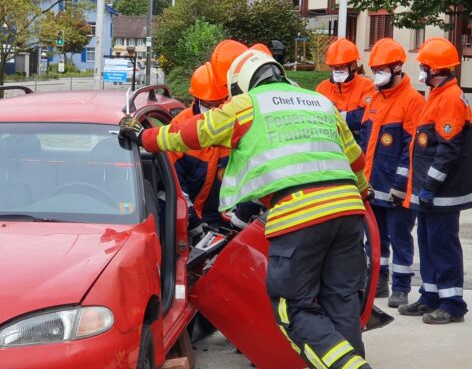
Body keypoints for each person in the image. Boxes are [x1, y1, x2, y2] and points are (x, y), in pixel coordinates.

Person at [120, 46, 373, 368]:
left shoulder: (248, 104)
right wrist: (362, 193)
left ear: (242, 84)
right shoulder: (321, 102)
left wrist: (145, 138)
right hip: (349, 212)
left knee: (293, 310)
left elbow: (195, 132)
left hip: (299, 215)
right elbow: (356, 160)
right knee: (341, 302)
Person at [400, 37, 470, 324]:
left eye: (424, 67)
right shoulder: (438, 96)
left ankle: (452, 304)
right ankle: (430, 296)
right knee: (428, 245)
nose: (421, 72)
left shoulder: (451, 99)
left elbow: (447, 151)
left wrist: (428, 187)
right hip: (429, 192)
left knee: (442, 245)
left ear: (437, 70)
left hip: (442, 193)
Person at [359, 38, 424, 306]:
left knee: (400, 239)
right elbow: (365, 141)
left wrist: (401, 183)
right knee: (374, 240)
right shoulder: (375, 98)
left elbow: (412, 149)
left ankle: (401, 288)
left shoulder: (412, 101)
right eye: (375, 70)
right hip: (373, 186)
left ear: (398, 68)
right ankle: (378, 283)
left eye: (382, 69)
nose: (378, 75)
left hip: (397, 188)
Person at [171, 62, 231, 240]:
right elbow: (175, 184)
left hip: (227, 218)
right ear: (197, 98)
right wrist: (191, 219)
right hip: (192, 219)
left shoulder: (235, 122)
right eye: (210, 104)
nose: (215, 108)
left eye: (220, 102)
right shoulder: (179, 126)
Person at [316, 38, 375, 145]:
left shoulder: (367, 85)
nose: (337, 70)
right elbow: (316, 117)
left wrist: (335, 116)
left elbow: (365, 116)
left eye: (341, 67)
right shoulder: (322, 88)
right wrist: (349, 117)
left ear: (352, 65)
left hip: (357, 144)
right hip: (329, 144)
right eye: (334, 67)